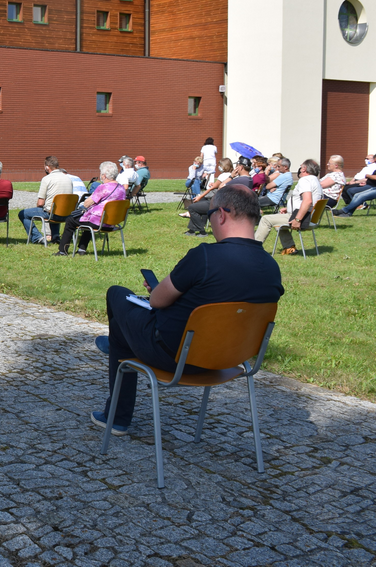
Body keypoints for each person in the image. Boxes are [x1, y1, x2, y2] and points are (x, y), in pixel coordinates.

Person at [92, 184, 284, 436]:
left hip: (175, 357)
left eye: (209, 214)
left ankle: (117, 416)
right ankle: (120, 344)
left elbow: (157, 302)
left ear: (222, 214)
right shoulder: (271, 267)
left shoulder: (204, 256)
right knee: (121, 332)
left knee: (117, 294)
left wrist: (159, 289)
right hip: (228, 360)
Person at [55, 161, 126, 256]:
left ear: (104, 175)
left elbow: (87, 203)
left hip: (99, 222)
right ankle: (81, 250)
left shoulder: (103, 187)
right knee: (88, 219)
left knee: (70, 220)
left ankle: (62, 251)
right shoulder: (121, 188)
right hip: (112, 222)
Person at [254, 159, 323, 253]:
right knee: (277, 219)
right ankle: (289, 247)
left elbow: (307, 201)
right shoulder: (315, 180)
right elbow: (311, 201)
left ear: (304, 169)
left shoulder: (305, 180)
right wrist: (289, 208)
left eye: (300, 166)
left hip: (303, 218)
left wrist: (297, 220)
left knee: (266, 219)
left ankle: (252, 248)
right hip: (310, 217)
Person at [19, 156, 73, 245]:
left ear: (47, 167)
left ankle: (37, 237)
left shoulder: (46, 179)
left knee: (23, 213)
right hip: (66, 214)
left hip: (52, 214)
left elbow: (40, 203)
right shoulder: (68, 178)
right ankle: (55, 237)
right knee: (55, 208)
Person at [183, 157, 233, 236]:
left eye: (220, 165)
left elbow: (210, 189)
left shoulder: (223, 176)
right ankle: (192, 230)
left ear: (224, 166)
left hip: (219, 202)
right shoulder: (233, 175)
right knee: (202, 203)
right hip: (227, 201)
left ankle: (201, 231)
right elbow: (220, 186)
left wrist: (199, 196)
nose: (219, 167)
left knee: (192, 207)